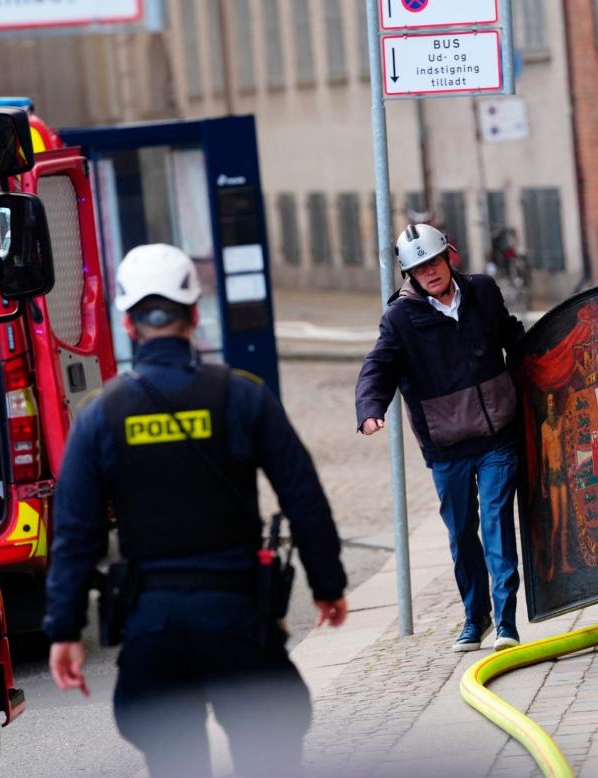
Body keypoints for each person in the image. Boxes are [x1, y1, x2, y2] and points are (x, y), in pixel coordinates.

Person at [44, 244, 348, 776]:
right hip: (237, 619)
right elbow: (303, 497)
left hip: (152, 627)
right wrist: (327, 585)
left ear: (128, 323)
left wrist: (64, 630)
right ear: (195, 313)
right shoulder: (243, 397)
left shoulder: (102, 417)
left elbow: (75, 533)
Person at [355, 223, 525, 653]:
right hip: (446, 445)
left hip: (497, 436)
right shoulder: (400, 318)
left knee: (497, 523)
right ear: (408, 273)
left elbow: (512, 336)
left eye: (433, 261)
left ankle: (506, 623)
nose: (428, 272)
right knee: (462, 534)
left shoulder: (484, 291)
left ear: (449, 256)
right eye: (418, 267)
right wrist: (370, 409)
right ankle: (476, 617)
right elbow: (378, 368)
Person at [539, 393, 573, 581]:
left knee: (566, 521)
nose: (551, 403)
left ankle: (566, 562)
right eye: (548, 401)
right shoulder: (544, 427)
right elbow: (543, 455)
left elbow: (568, 445)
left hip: (562, 473)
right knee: (556, 523)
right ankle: (553, 564)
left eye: (553, 400)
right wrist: (543, 483)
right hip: (552, 475)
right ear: (546, 405)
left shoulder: (561, 422)